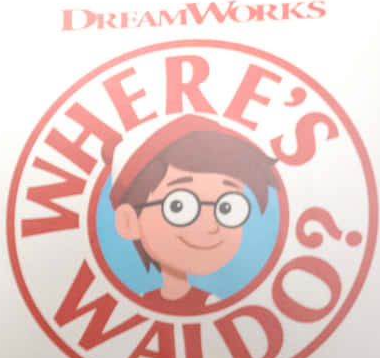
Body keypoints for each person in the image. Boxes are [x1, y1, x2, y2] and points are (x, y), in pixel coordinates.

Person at [109, 115, 282, 314]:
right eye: (179, 206)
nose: (210, 226)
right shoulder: (138, 304)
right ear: (129, 222)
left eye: (227, 208)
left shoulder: (213, 305)